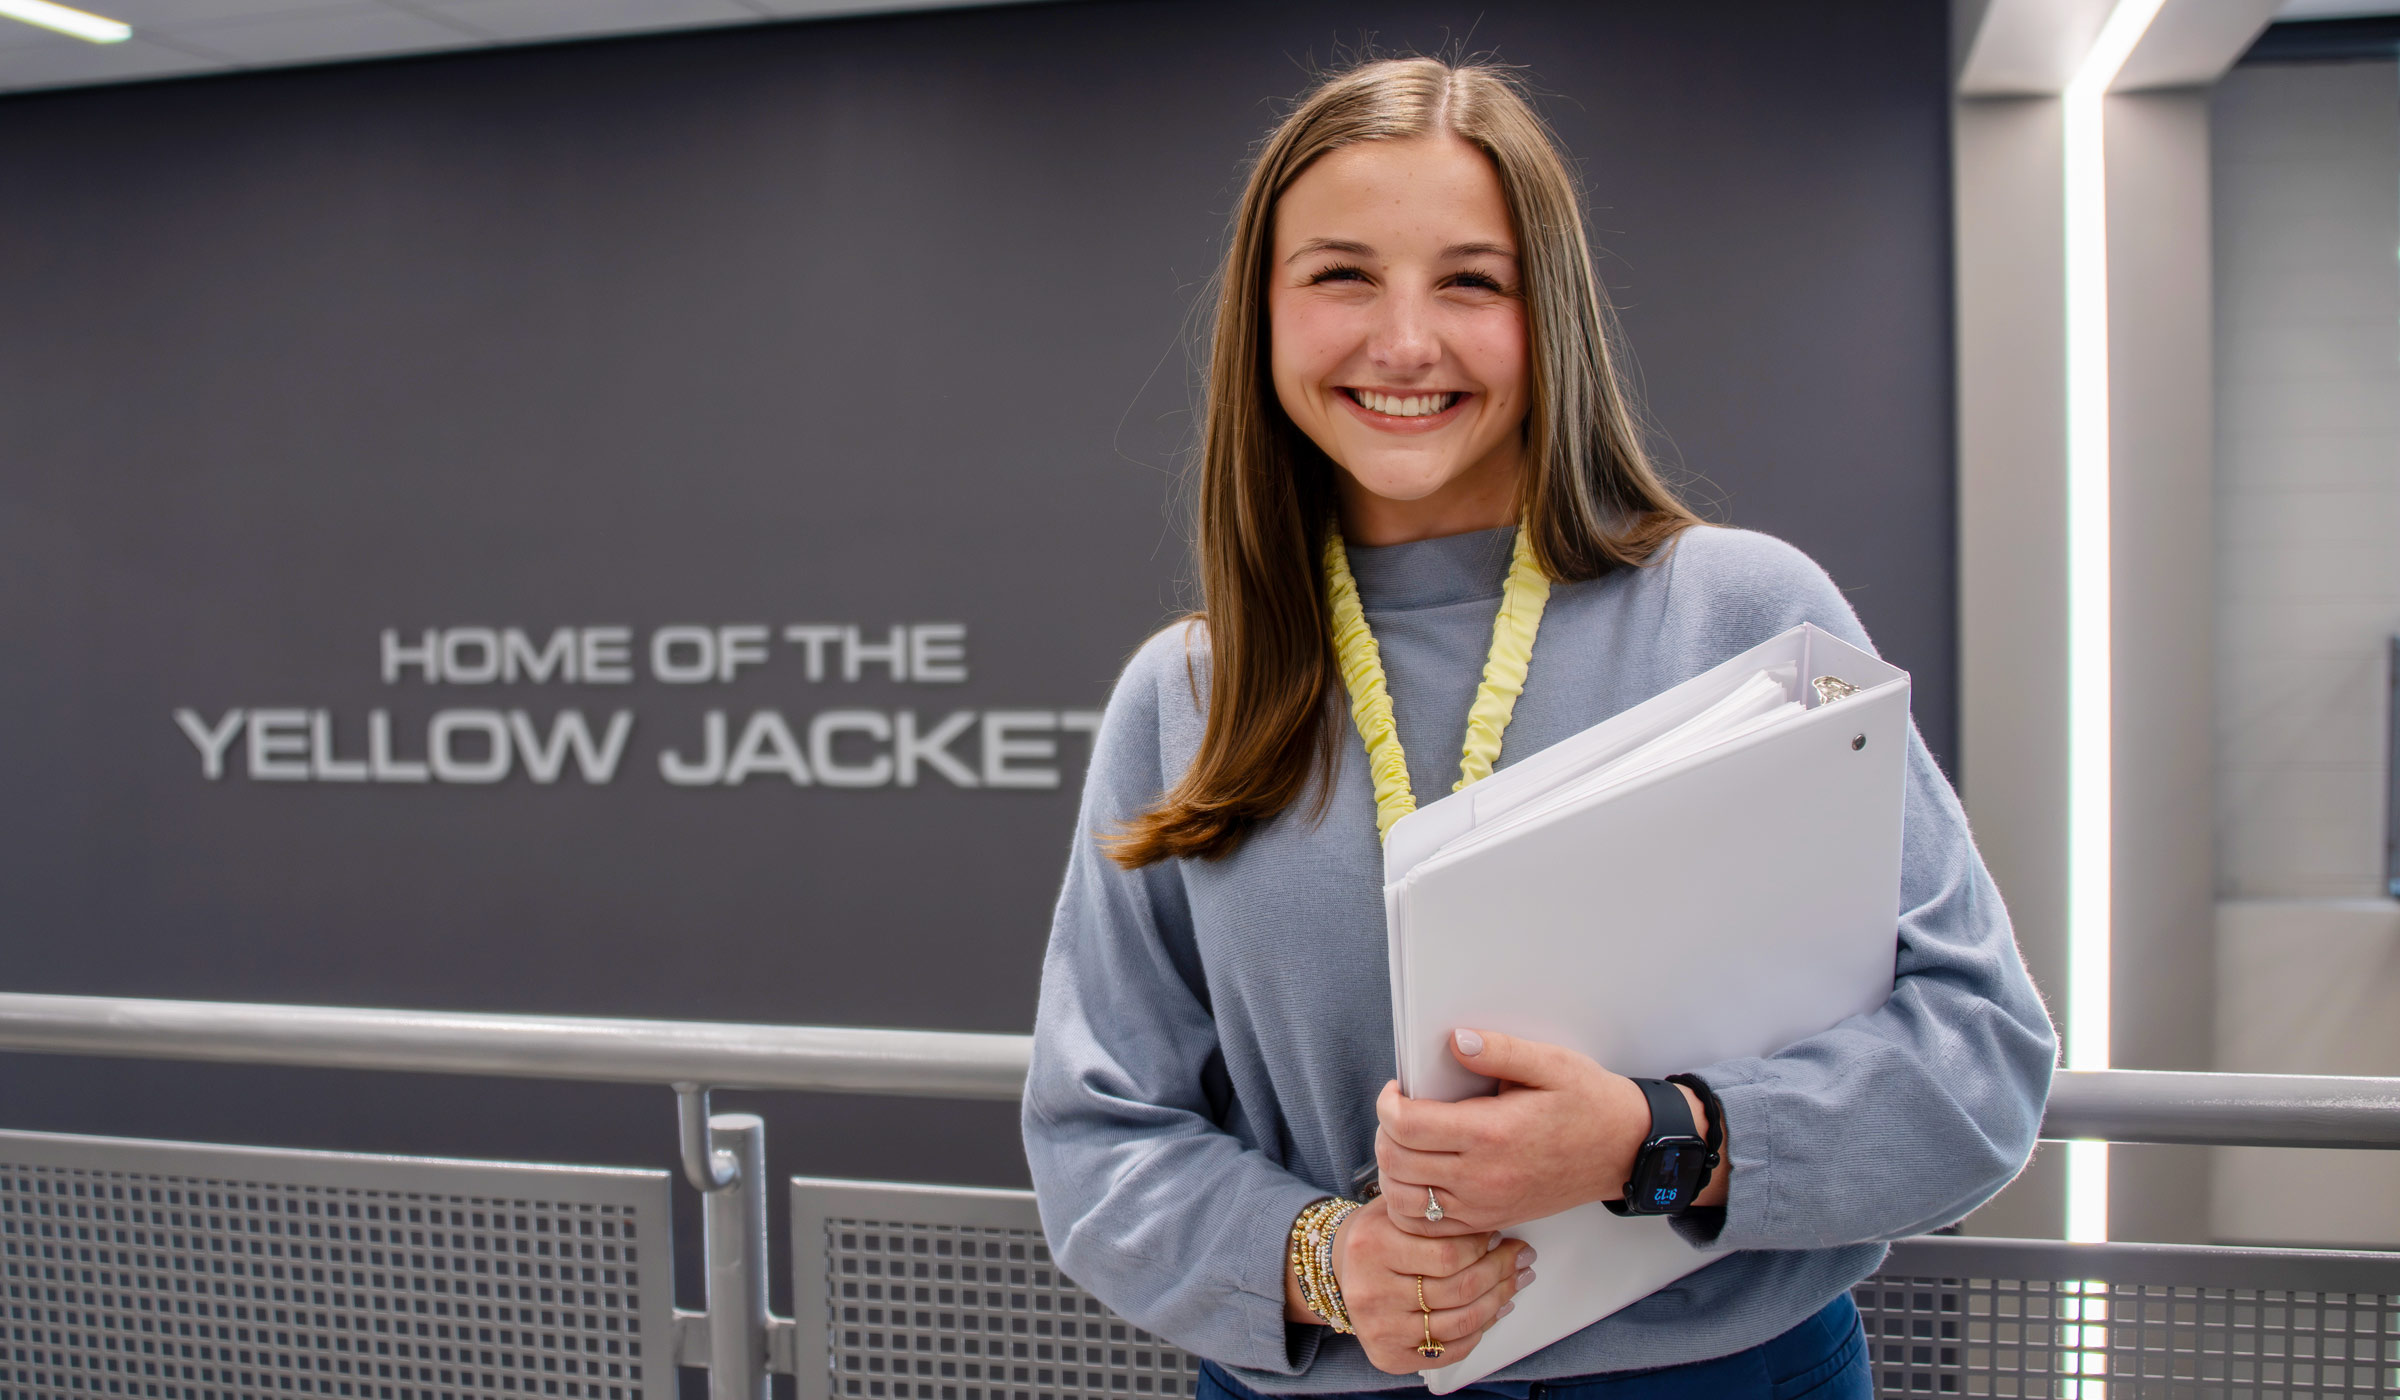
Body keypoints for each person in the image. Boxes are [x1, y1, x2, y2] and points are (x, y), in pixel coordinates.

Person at [1020, 57, 2054, 1400]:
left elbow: (1979, 1065)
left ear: (1546, 313)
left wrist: (1658, 1137)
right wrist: (1323, 1260)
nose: (1403, 343)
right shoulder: (1189, 696)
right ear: (1261, 317)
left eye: (1470, 282)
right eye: (1340, 276)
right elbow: (1095, 1139)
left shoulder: (1743, 619)